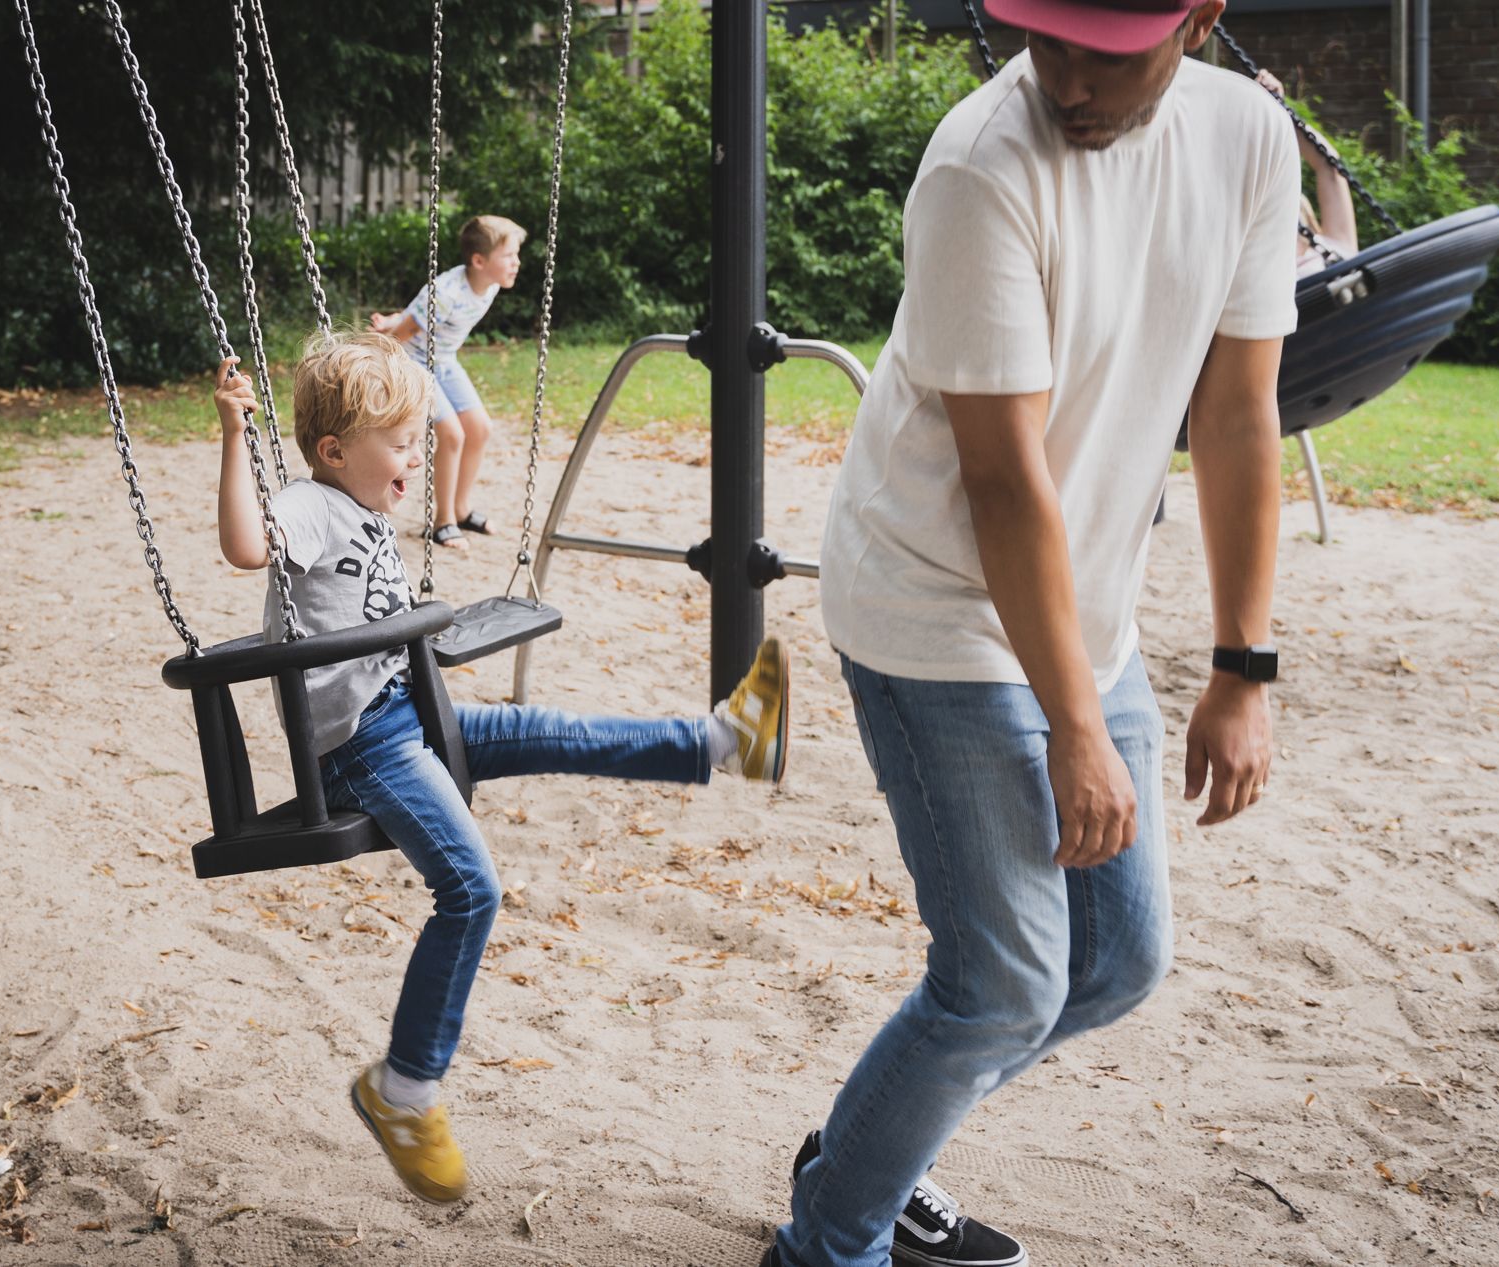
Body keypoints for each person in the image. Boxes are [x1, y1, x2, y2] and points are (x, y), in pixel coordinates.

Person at [770, 1, 1295, 1264]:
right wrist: (1073, 725)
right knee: (1004, 984)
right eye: (1038, 36)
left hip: (1083, 608)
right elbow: (1001, 482)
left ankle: (871, 1148)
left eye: (1101, 47)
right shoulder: (976, 168)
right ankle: (829, 1237)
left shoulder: (1249, 139)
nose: (1063, 76)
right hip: (934, 605)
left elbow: (1237, 417)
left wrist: (1241, 665)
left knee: (1115, 961)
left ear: (1198, 18)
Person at [212, 331, 791, 1206]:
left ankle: (719, 742)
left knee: (551, 730)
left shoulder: (359, 504)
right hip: (366, 744)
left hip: (409, 709)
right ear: (335, 452)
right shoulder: (309, 503)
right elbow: (247, 547)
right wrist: (232, 434)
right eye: (401, 443)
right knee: (471, 890)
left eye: (418, 438)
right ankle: (402, 1091)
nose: (420, 454)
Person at [369, 214, 525, 551]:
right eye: (509, 256)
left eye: (516, 254)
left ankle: (461, 508)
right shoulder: (449, 291)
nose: (517, 262)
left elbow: (416, 312)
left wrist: (396, 317)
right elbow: (408, 329)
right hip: (413, 359)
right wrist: (385, 348)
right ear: (479, 261)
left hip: (444, 360)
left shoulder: (491, 285)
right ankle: (443, 522)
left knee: (480, 428)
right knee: (452, 433)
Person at [1254, 69, 1359, 275]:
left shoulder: (1336, 249)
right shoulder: (1262, 268)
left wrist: (1281, 114)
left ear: (1309, 219)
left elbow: (1329, 166)